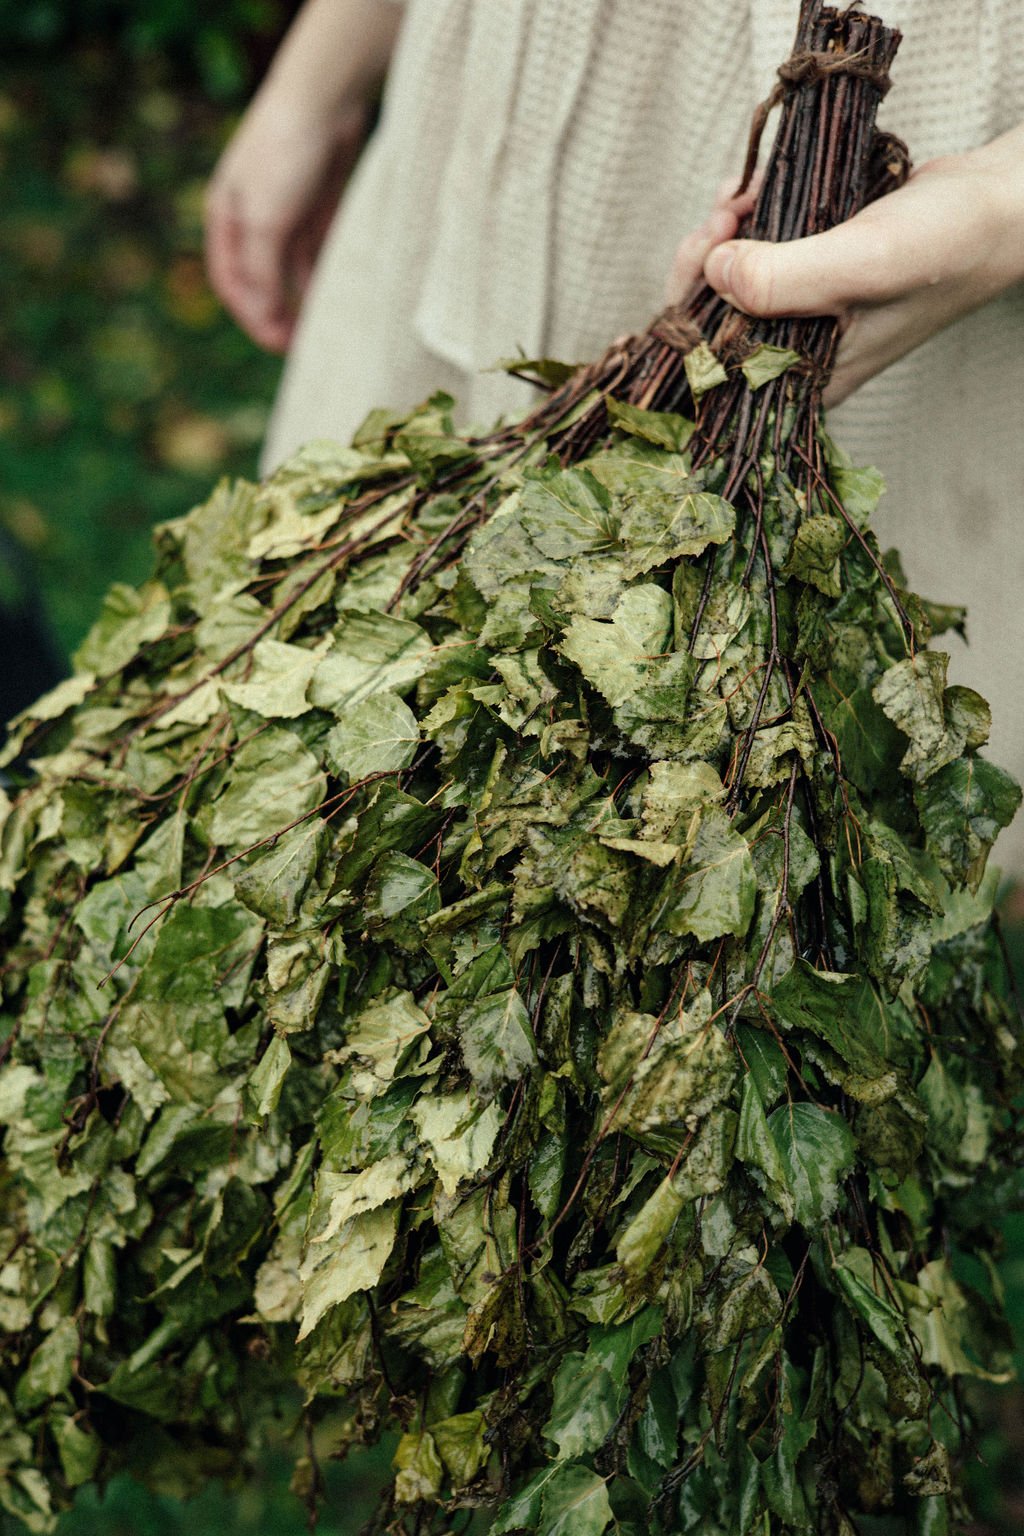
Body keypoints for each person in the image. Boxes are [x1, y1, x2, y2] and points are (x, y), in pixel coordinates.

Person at [205, 0, 1024, 873]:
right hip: (505, 95)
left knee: (806, 800)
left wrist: (1000, 211)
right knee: (349, 676)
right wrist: (313, 80)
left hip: (950, 187)